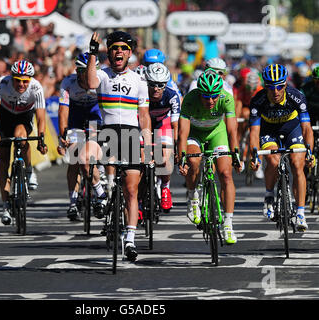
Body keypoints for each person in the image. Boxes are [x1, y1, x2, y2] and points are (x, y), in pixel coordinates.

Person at [87, 31, 151, 262]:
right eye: (114, 48)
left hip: (132, 135)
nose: (119, 52)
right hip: (108, 132)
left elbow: (144, 116)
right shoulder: (102, 75)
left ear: (129, 53)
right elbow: (91, 82)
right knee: (89, 160)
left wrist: (148, 146)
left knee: (132, 190)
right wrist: (93, 52)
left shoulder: (138, 80)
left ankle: (131, 240)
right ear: (109, 52)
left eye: (123, 48)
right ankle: (104, 194)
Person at [178, 68, 242, 245]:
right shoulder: (190, 99)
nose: (211, 100)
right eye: (206, 97)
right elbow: (182, 132)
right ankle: (193, 198)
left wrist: (235, 153)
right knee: (193, 161)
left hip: (216, 133)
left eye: (214, 96)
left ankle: (228, 223)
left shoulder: (226, 98)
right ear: (199, 93)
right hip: (194, 134)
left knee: (226, 174)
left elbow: (231, 130)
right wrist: (181, 157)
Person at [249, 63, 314, 232]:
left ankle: (300, 212)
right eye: (271, 87)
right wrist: (254, 156)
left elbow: (307, 128)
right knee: (272, 160)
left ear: (285, 84)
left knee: (297, 165)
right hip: (269, 130)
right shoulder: (258, 100)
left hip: (292, 129)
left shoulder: (296, 96)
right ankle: (269, 195)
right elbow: (254, 132)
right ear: (265, 86)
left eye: (280, 86)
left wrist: (310, 152)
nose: (275, 91)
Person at [0, 60, 48, 226]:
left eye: (25, 81)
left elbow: (41, 117)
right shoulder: (2, 83)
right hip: (4, 116)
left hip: (24, 117)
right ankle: (5, 205)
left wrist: (41, 138)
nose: (21, 84)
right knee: (3, 161)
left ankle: (29, 171)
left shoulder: (36, 87)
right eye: (18, 80)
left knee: (21, 137)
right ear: (12, 77)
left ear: (30, 79)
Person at [57, 52, 106, 221]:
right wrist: (63, 134)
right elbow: (63, 111)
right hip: (75, 119)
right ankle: (72, 201)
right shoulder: (68, 83)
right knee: (74, 158)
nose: (88, 76)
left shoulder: (100, 81)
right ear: (78, 72)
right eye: (84, 72)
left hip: (95, 118)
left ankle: (101, 175)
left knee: (94, 151)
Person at [145, 62, 180, 212]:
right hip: (143, 123)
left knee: (164, 158)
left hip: (162, 123)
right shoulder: (140, 92)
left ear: (166, 84)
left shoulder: (172, 96)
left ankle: (165, 186)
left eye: (160, 85)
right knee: (140, 158)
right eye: (152, 84)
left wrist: (177, 148)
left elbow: (175, 125)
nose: (156, 89)